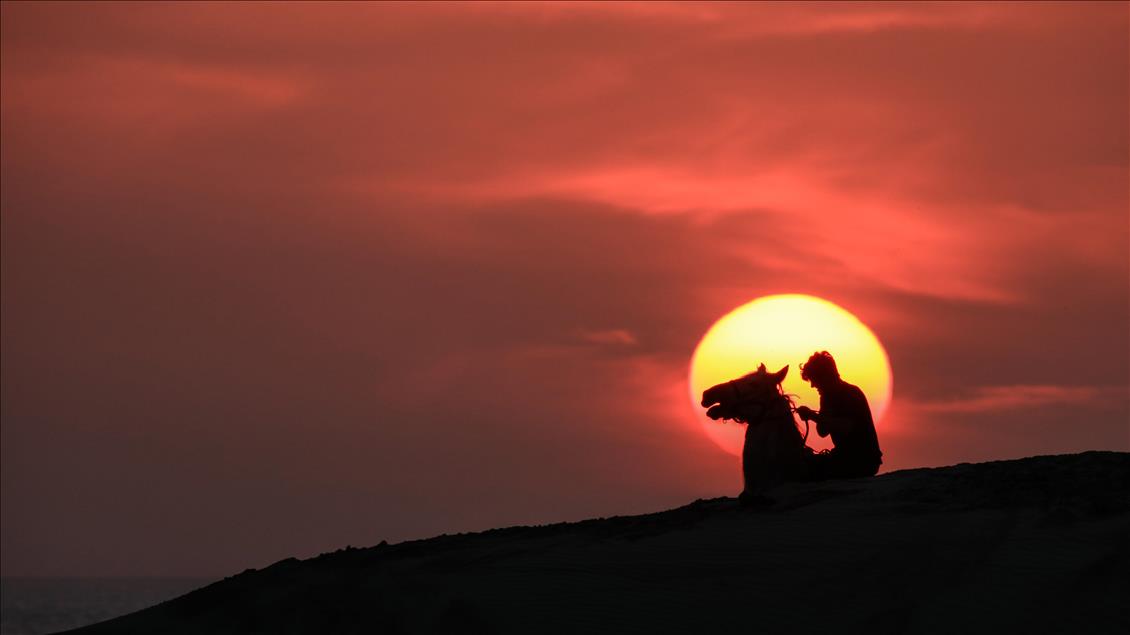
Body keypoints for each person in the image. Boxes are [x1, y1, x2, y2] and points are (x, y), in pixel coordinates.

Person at [795, 351, 883, 480]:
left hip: (862, 461)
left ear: (824, 376)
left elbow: (845, 427)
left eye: (814, 380)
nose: (813, 385)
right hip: (843, 458)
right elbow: (822, 431)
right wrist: (817, 413)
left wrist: (812, 415)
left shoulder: (850, 393)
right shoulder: (828, 397)